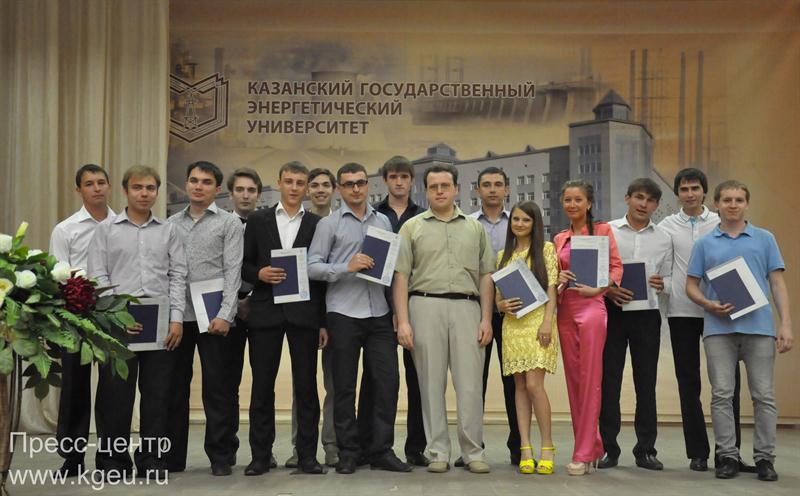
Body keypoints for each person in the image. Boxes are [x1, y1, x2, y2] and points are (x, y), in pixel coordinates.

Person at [686, 180, 793, 482]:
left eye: (739, 200)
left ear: (746, 204)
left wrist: (786, 324)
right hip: (718, 330)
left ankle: (765, 458)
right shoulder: (704, 243)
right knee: (721, 395)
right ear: (716, 204)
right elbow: (691, 285)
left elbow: (777, 283)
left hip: (759, 329)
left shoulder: (765, 238)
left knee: (764, 396)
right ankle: (728, 457)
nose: (733, 205)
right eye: (727, 200)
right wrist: (708, 303)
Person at [308, 162, 411, 474]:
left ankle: (381, 450)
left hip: (379, 313)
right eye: (349, 184)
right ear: (340, 188)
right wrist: (346, 267)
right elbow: (312, 266)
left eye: (361, 183)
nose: (356, 188)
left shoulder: (383, 220)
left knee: (387, 383)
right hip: (343, 313)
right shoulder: (329, 224)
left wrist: (397, 313)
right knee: (344, 387)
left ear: (368, 185)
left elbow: (391, 269)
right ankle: (349, 452)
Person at [394, 164, 494, 474]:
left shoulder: (474, 228)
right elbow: (401, 276)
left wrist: (486, 318)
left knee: (470, 385)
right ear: (426, 190)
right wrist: (403, 321)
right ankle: (437, 451)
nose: (439, 191)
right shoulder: (411, 227)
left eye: (445, 186)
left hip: (467, 308)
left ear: (456, 189)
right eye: (433, 186)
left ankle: (473, 451)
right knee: (429, 384)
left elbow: (486, 275)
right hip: (424, 306)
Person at [87, 165, 187, 479]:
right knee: (115, 394)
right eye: (137, 187)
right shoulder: (106, 230)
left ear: (157, 191)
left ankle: (151, 460)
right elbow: (97, 276)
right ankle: (112, 461)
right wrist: (116, 313)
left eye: (150, 188)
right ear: (125, 191)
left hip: (159, 318)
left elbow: (178, 276)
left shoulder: (169, 230)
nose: (144, 194)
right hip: (118, 317)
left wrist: (176, 320)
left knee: (157, 394)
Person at [658, 167, 751, 472]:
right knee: (688, 383)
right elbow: (666, 268)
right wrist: (668, 287)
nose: (690, 194)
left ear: (704, 192)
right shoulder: (667, 226)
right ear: (677, 193)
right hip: (682, 312)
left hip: (721, 312)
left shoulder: (720, 222)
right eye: (684, 189)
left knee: (728, 384)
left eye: (695, 188)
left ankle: (729, 453)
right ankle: (697, 452)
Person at [241, 161, 327, 475]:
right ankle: (260, 456)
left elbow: (321, 277)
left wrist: (323, 321)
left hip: (304, 315)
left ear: (307, 188)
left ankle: (307, 456)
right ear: (279, 182)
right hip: (265, 313)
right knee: (262, 386)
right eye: (289, 181)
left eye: (300, 182)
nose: (294, 187)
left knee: (306, 387)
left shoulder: (317, 224)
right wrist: (259, 274)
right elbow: (244, 265)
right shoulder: (258, 220)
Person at [167, 161, 244, 476]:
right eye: (194, 180)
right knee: (174, 389)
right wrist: (171, 316)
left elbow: (233, 271)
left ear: (217, 189)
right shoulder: (171, 224)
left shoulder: (229, 223)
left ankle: (221, 456)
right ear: (187, 184)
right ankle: (173, 458)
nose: (198, 186)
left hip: (215, 317)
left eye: (206, 182)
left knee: (218, 389)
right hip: (178, 317)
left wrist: (226, 314)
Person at [598, 178, 672, 471]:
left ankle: (646, 450)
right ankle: (608, 449)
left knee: (646, 382)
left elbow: (669, 278)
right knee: (609, 382)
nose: (644, 204)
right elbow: (595, 270)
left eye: (650, 200)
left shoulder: (664, 237)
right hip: (613, 312)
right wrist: (608, 290)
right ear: (627, 198)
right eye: (639, 197)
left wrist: (663, 283)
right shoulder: (607, 231)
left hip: (647, 315)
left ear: (656, 205)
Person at [50, 164, 115, 477]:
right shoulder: (66, 229)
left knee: (112, 387)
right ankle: (72, 457)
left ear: (109, 186)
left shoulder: (121, 224)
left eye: (101, 182)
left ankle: (110, 456)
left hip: (113, 313)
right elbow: (58, 273)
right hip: (76, 314)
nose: (96, 188)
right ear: (79, 190)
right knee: (75, 386)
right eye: (89, 184)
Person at [361, 155, 427, 467]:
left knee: (418, 380)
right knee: (377, 381)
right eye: (393, 177)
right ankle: (370, 447)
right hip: (377, 310)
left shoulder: (424, 217)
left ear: (412, 181)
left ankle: (416, 448)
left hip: (417, 307)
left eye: (404, 177)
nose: (399, 182)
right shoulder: (373, 216)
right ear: (385, 180)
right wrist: (390, 308)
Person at [554, 179, 623, 476]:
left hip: (592, 307)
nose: (572, 204)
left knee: (591, 379)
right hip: (565, 309)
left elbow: (616, 267)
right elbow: (555, 274)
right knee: (574, 382)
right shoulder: (560, 238)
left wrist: (599, 289)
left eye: (578, 199)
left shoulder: (603, 231)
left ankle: (582, 454)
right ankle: (592, 446)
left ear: (589, 203)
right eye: (568, 200)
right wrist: (559, 278)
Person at [494, 201, 559, 475]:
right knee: (519, 387)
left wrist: (547, 322)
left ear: (535, 224)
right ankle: (525, 448)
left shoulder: (546, 250)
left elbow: (552, 290)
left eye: (525, 220)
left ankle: (547, 447)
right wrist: (500, 306)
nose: (519, 224)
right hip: (512, 326)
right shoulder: (503, 256)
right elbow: (498, 298)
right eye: (516, 219)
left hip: (538, 324)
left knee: (534, 385)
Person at [285, 166, 339, 469]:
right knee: (302, 384)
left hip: (335, 312)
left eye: (325, 185)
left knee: (334, 384)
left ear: (333, 189)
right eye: (314, 185)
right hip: (303, 314)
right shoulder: (298, 224)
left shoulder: (340, 223)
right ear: (307, 190)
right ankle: (300, 446)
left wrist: (325, 320)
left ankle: (331, 445)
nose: (319, 190)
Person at [469, 166, 521, 467]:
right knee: (474, 382)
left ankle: (519, 446)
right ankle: (473, 447)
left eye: (498, 184)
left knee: (513, 382)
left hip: (513, 310)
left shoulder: (518, 222)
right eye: (486, 184)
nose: (492, 189)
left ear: (507, 189)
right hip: (476, 312)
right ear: (477, 190)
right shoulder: (467, 224)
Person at [226, 168, 276, 468]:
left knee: (262, 383)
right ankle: (226, 449)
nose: (245, 195)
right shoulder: (221, 224)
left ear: (259, 194)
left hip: (260, 308)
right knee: (227, 383)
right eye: (240, 190)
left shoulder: (268, 223)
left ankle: (263, 451)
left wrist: (251, 298)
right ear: (231, 193)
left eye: (251, 190)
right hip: (227, 312)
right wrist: (234, 303)